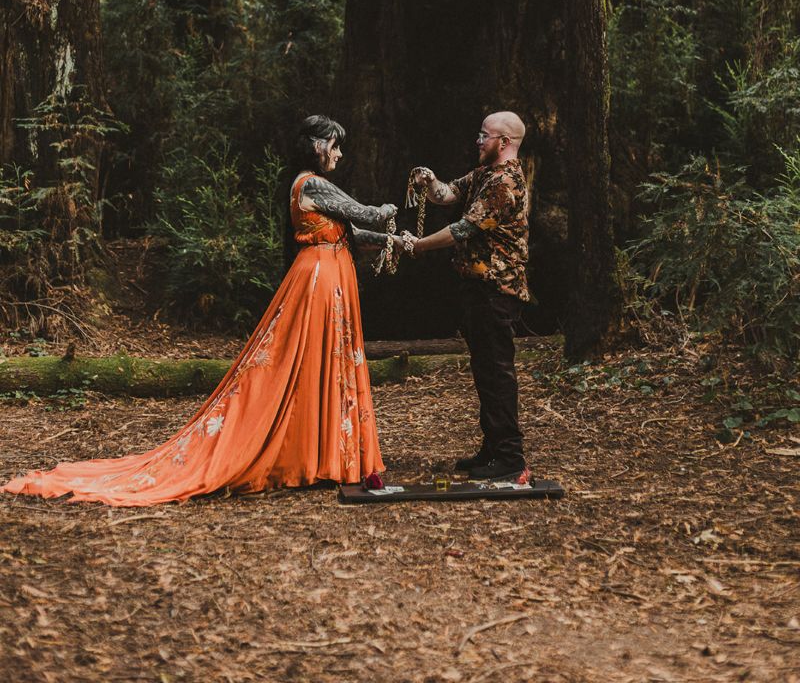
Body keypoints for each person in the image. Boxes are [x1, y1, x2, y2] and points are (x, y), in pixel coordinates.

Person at [1, 116, 397, 506]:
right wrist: (395, 207)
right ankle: (308, 454)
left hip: (329, 281)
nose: (340, 153)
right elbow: (364, 213)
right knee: (302, 365)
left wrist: (395, 242)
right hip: (317, 284)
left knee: (318, 364)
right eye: (335, 144)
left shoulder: (317, 187)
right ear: (316, 145)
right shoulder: (311, 184)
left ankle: (322, 455)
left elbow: (353, 232)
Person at [404, 111, 530, 482]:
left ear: (504, 142)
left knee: (497, 373)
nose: (478, 140)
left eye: (484, 135)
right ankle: (492, 449)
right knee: (485, 371)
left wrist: (417, 246)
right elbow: (447, 194)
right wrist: (428, 181)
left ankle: (510, 456)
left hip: (497, 288)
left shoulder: (505, 182)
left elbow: (463, 228)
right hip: (478, 289)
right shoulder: (484, 174)